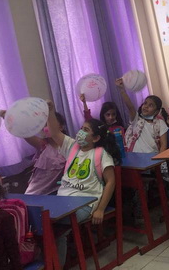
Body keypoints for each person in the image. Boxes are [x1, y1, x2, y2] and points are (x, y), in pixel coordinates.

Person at [48, 101, 120, 266]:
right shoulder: (72, 147)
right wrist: (50, 111)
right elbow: (54, 132)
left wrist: (100, 209)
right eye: (81, 128)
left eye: (85, 130)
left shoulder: (101, 154)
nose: (80, 132)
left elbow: (111, 182)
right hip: (62, 200)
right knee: (40, 222)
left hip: (85, 203)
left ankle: (56, 265)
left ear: (95, 138)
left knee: (54, 229)